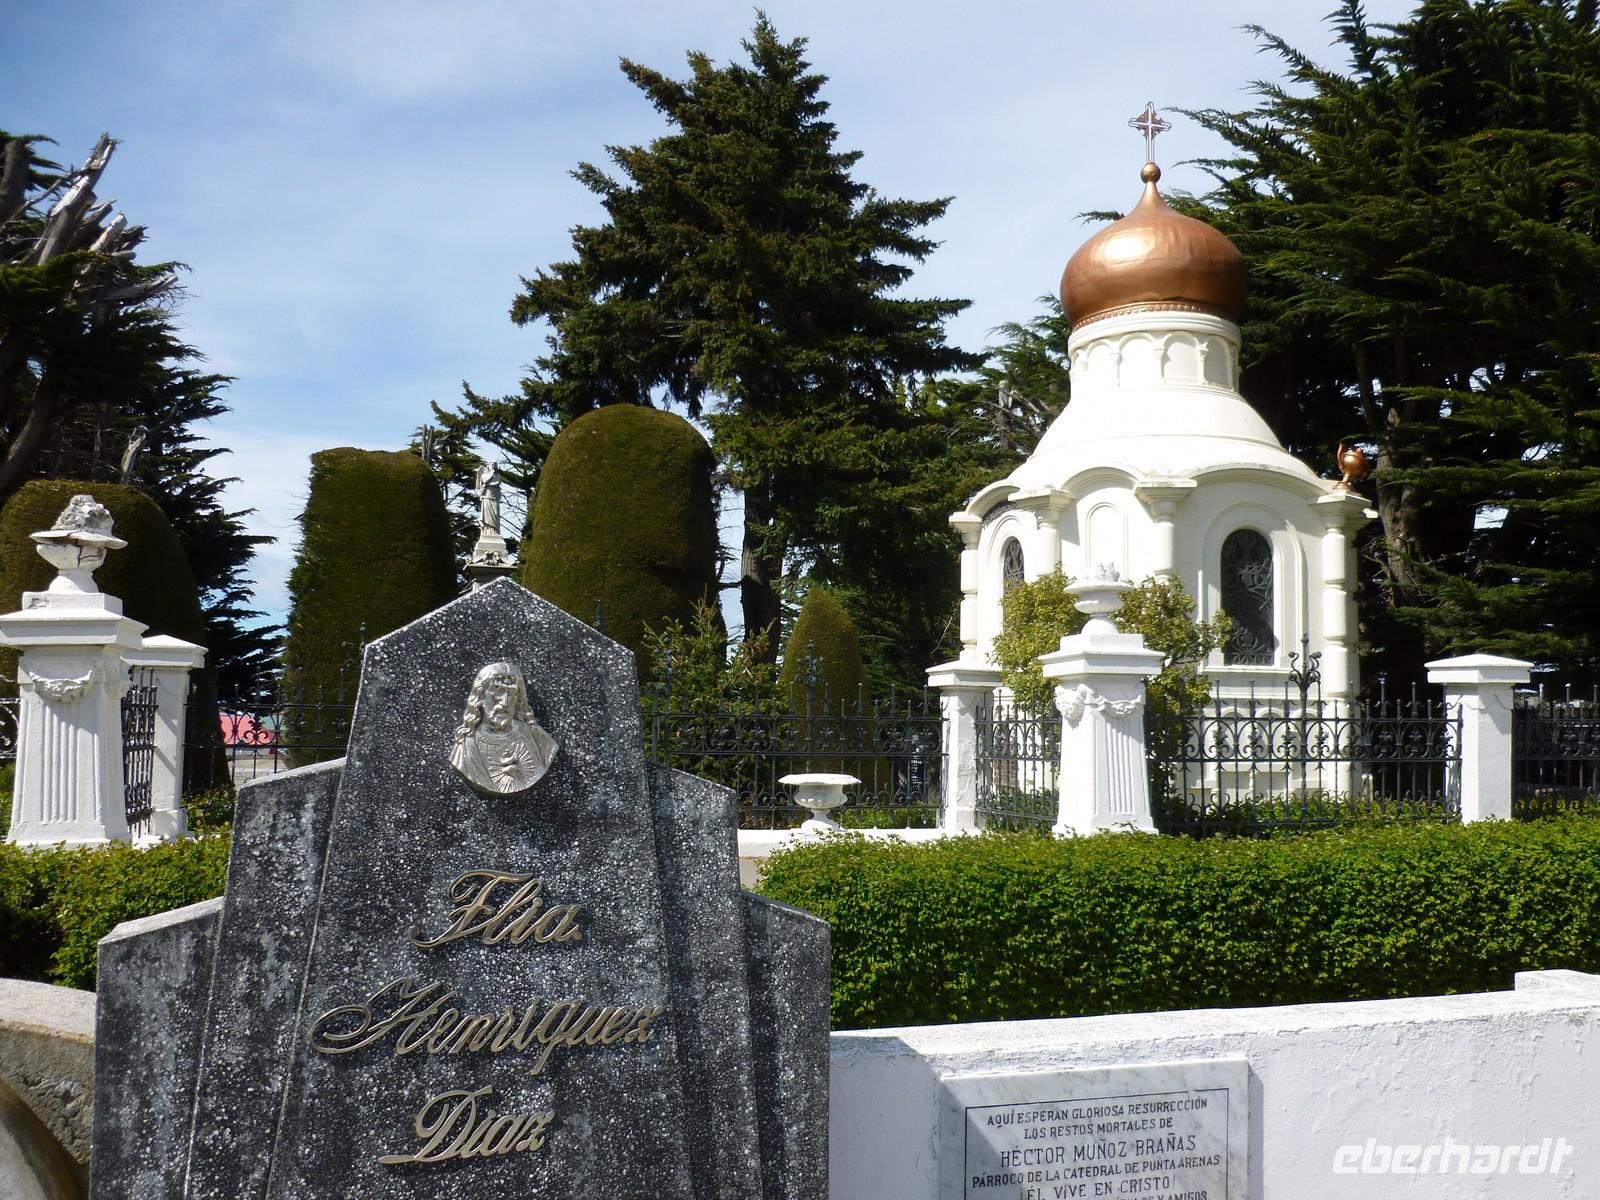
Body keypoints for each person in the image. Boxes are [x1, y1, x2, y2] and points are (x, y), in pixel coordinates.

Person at [449, 662, 557, 794]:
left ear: (518, 699)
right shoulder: (466, 748)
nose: (505, 702)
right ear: (481, 696)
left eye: (511, 693)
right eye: (498, 691)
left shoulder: (537, 738)